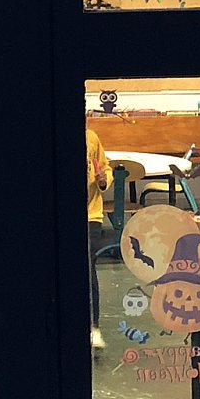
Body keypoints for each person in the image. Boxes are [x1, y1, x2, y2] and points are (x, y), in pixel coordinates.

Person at [87, 127, 111, 348]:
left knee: (88, 268)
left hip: (90, 214)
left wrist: (103, 180)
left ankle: (93, 327)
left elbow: (105, 168)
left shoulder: (91, 138)